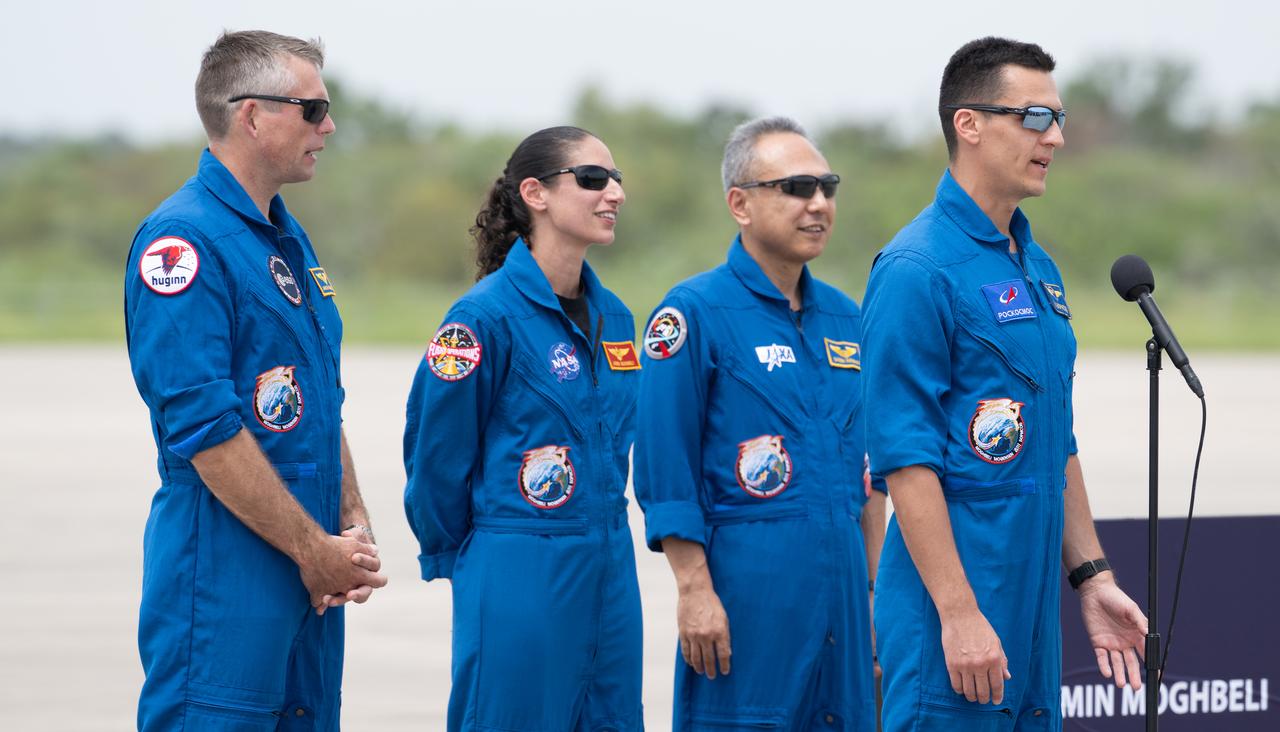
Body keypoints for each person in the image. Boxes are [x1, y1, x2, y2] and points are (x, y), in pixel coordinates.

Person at [863, 37, 1148, 730]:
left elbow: (1056, 437)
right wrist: (959, 615)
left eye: (1058, 118)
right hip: (955, 605)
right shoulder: (915, 268)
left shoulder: (1037, 265)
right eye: (1033, 118)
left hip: (1030, 606)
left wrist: (1092, 575)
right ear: (969, 124)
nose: (1055, 136)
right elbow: (905, 460)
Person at [124, 30, 386, 730]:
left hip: (306, 567)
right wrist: (313, 550)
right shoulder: (182, 243)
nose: (328, 127)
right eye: (313, 109)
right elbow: (206, 431)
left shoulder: (283, 238)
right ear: (251, 114)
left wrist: (349, 520)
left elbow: (314, 404)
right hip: (226, 570)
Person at [634, 117, 885, 731]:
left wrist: (877, 598)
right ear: (740, 204)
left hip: (845, 597)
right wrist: (694, 591)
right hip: (747, 596)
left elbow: (868, 474)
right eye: (797, 188)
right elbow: (666, 468)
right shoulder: (693, 314)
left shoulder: (847, 319)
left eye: (827, 186)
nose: (819, 203)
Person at [403, 126, 643, 731]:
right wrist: (479, 555)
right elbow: (436, 453)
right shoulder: (482, 318)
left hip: (610, 566)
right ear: (535, 193)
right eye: (593, 179)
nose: (613, 192)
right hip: (519, 565)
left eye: (616, 180)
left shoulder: (616, 318)